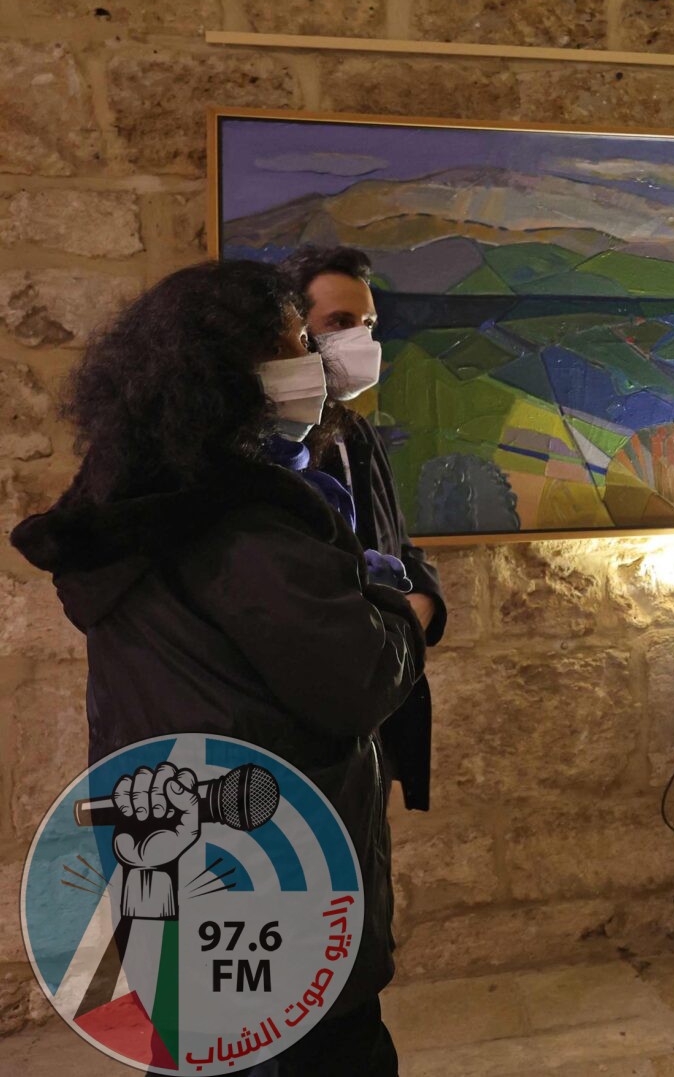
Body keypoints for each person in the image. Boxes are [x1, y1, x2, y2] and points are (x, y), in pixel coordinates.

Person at [11, 260, 422, 1074]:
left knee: (207, 1043)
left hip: (175, 873)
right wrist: (393, 602)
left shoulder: (129, 512)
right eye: (298, 342)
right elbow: (360, 680)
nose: (316, 360)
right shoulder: (246, 533)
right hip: (283, 878)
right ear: (227, 376)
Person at [279, 245, 446, 813]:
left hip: (377, 701)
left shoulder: (354, 432)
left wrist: (421, 603)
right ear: (293, 331)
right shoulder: (270, 445)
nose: (361, 339)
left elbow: (397, 543)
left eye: (369, 324)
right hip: (306, 728)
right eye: (340, 323)